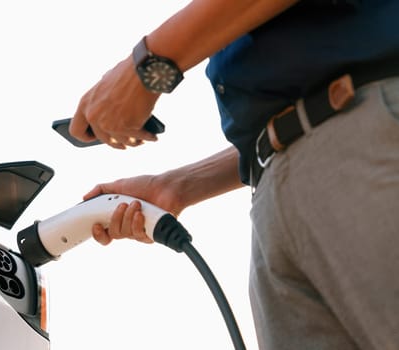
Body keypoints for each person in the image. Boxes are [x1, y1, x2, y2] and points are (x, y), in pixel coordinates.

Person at [69, 1, 399, 349]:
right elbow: (294, 121)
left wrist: (149, 66)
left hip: (364, 143)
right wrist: (178, 187)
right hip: (278, 188)